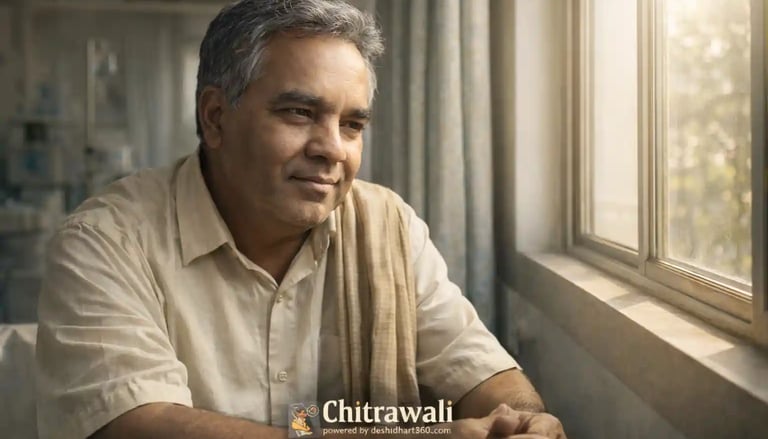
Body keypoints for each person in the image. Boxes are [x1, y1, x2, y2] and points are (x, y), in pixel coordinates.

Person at [35, 1, 566, 438]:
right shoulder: (106, 241)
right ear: (215, 117)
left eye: (353, 124)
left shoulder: (388, 229)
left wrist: (522, 418)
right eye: (299, 113)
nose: (331, 149)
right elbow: (138, 425)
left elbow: (483, 372)